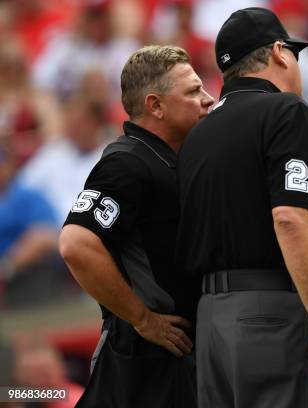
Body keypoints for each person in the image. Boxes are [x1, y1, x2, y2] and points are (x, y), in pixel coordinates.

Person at [175, 7, 308, 408]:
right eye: (294, 53)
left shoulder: (197, 135)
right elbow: (290, 216)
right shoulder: (285, 111)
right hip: (277, 313)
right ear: (278, 51)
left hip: (213, 324)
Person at [58, 45, 214, 407]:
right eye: (192, 91)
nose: (207, 99)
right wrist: (143, 319)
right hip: (141, 361)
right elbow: (76, 244)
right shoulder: (127, 163)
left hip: (177, 356)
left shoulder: (176, 159)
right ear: (155, 105)